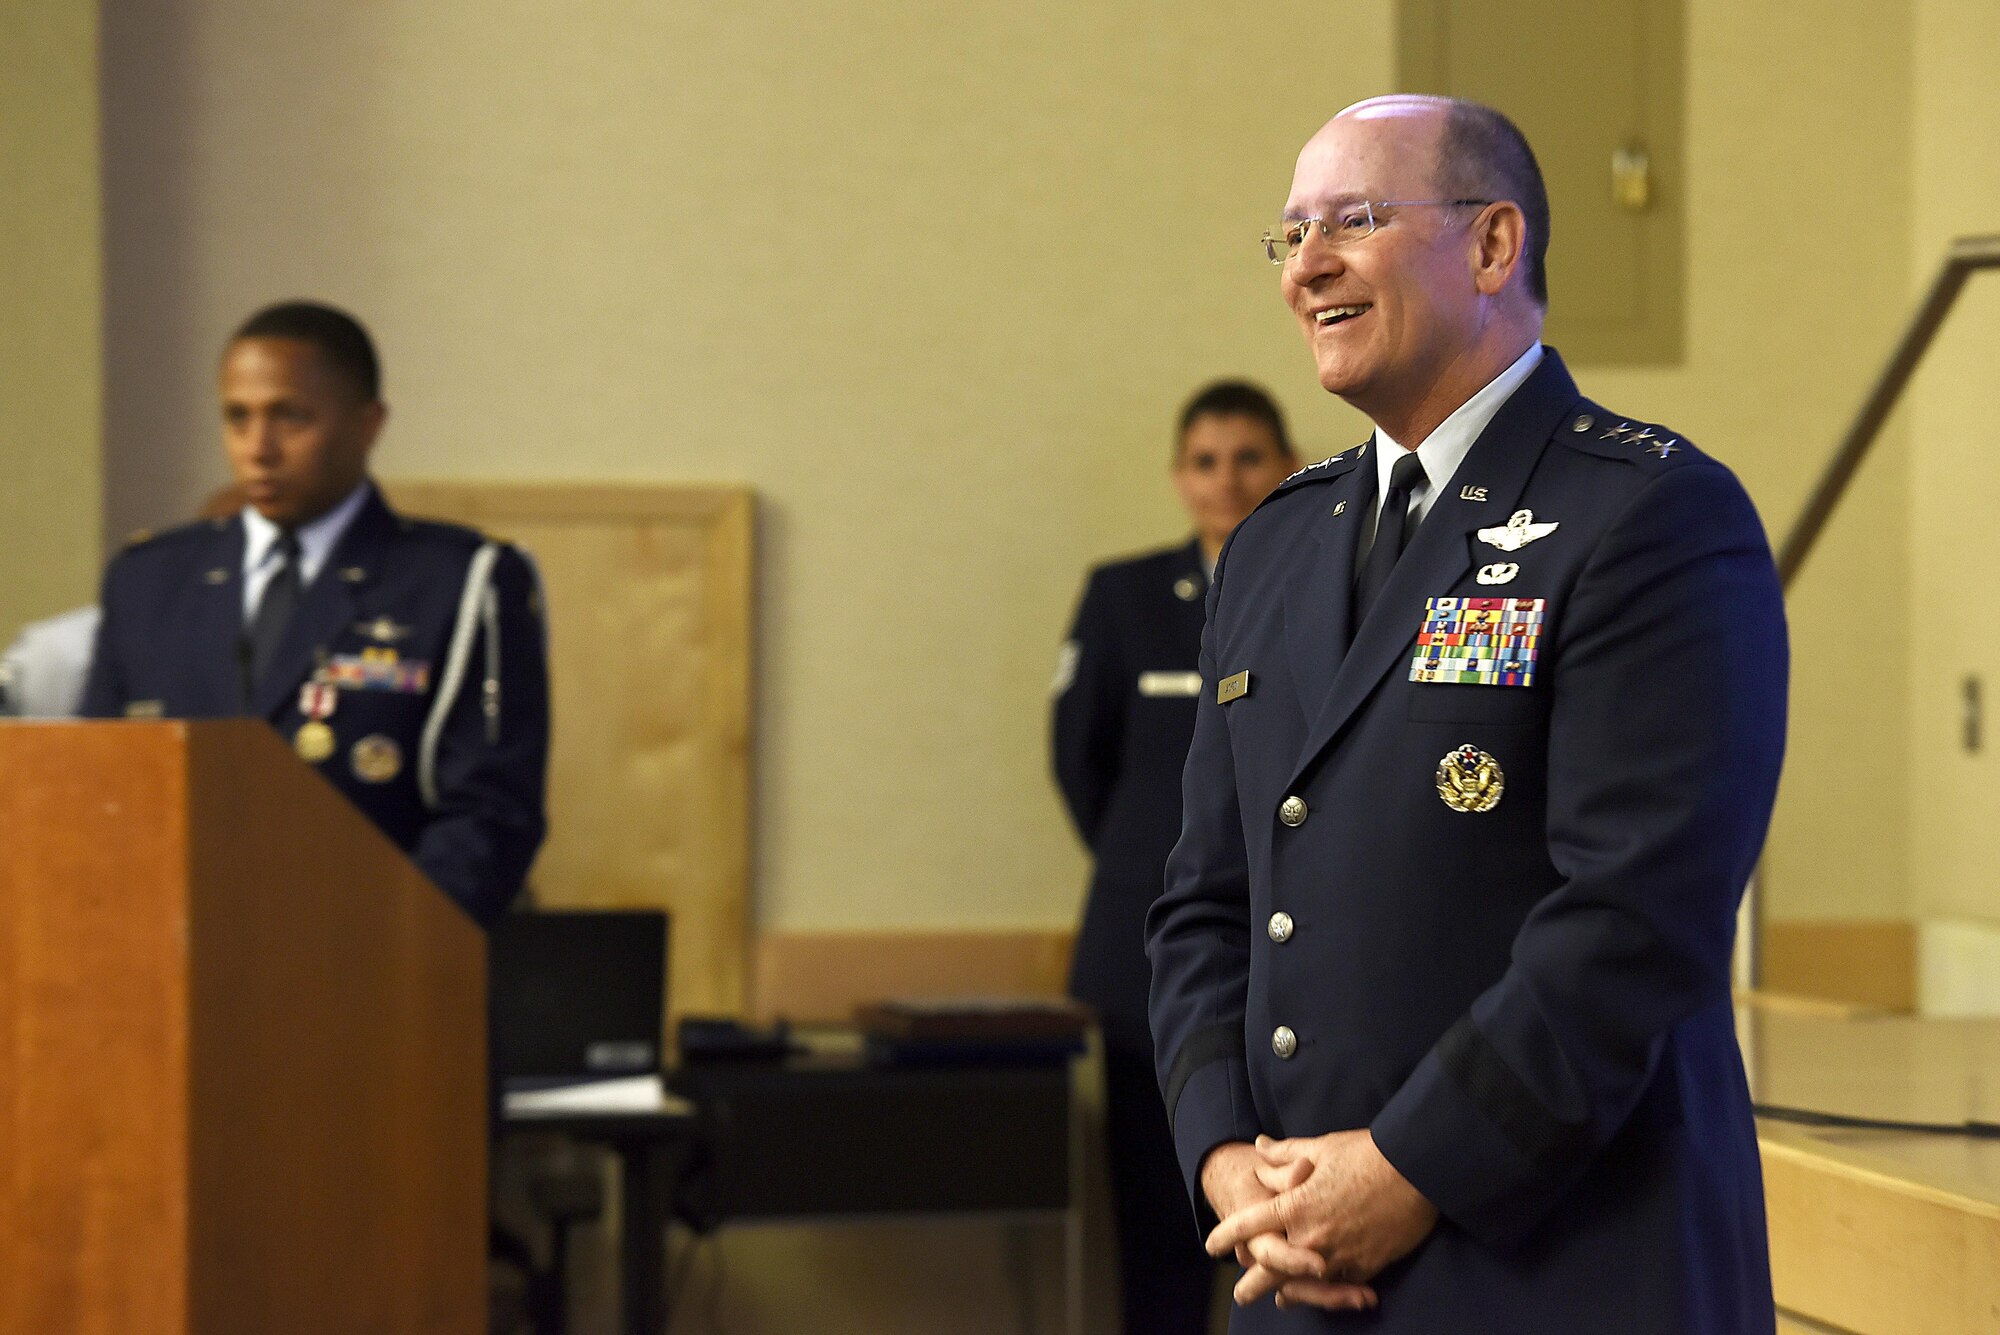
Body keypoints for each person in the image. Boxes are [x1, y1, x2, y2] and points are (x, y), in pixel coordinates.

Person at [1146, 96, 1787, 1332]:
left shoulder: (1647, 515)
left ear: (1492, 247)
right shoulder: (1274, 542)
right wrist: (1229, 1162)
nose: (1306, 267)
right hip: (1294, 1270)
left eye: (1354, 221)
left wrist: (1407, 1172)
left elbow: (1634, 917)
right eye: (1289, 236)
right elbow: (1202, 902)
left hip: (1556, 1266)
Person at [81, 301, 549, 926]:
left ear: (367, 425)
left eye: (291, 417)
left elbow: (490, 815)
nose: (258, 449)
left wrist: (377, 943)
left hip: (371, 964)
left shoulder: (457, 580)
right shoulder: (150, 579)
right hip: (173, 958)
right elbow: (94, 788)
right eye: (236, 418)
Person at [1053, 381, 1298, 1333]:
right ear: (1178, 477)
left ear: (1286, 465)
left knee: (1282, 1229)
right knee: (1158, 1237)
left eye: (1247, 457)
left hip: (1289, 960)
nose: (1226, 480)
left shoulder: (1327, 579)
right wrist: (1154, 873)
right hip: (1142, 959)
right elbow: (1080, 761)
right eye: (1205, 461)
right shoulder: (1122, 597)